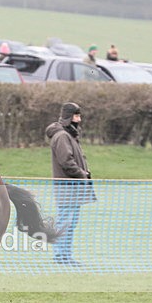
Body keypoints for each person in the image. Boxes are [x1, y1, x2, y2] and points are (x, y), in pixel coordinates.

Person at [46, 102, 96, 266]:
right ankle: (60, 256)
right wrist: (82, 174)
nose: (79, 119)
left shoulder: (69, 135)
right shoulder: (62, 136)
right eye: (76, 116)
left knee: (71, 223)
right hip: (67, 188)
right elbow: (66, 162)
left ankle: (65, 256)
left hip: (73, 189)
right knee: (65, 222)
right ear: (69, 116)